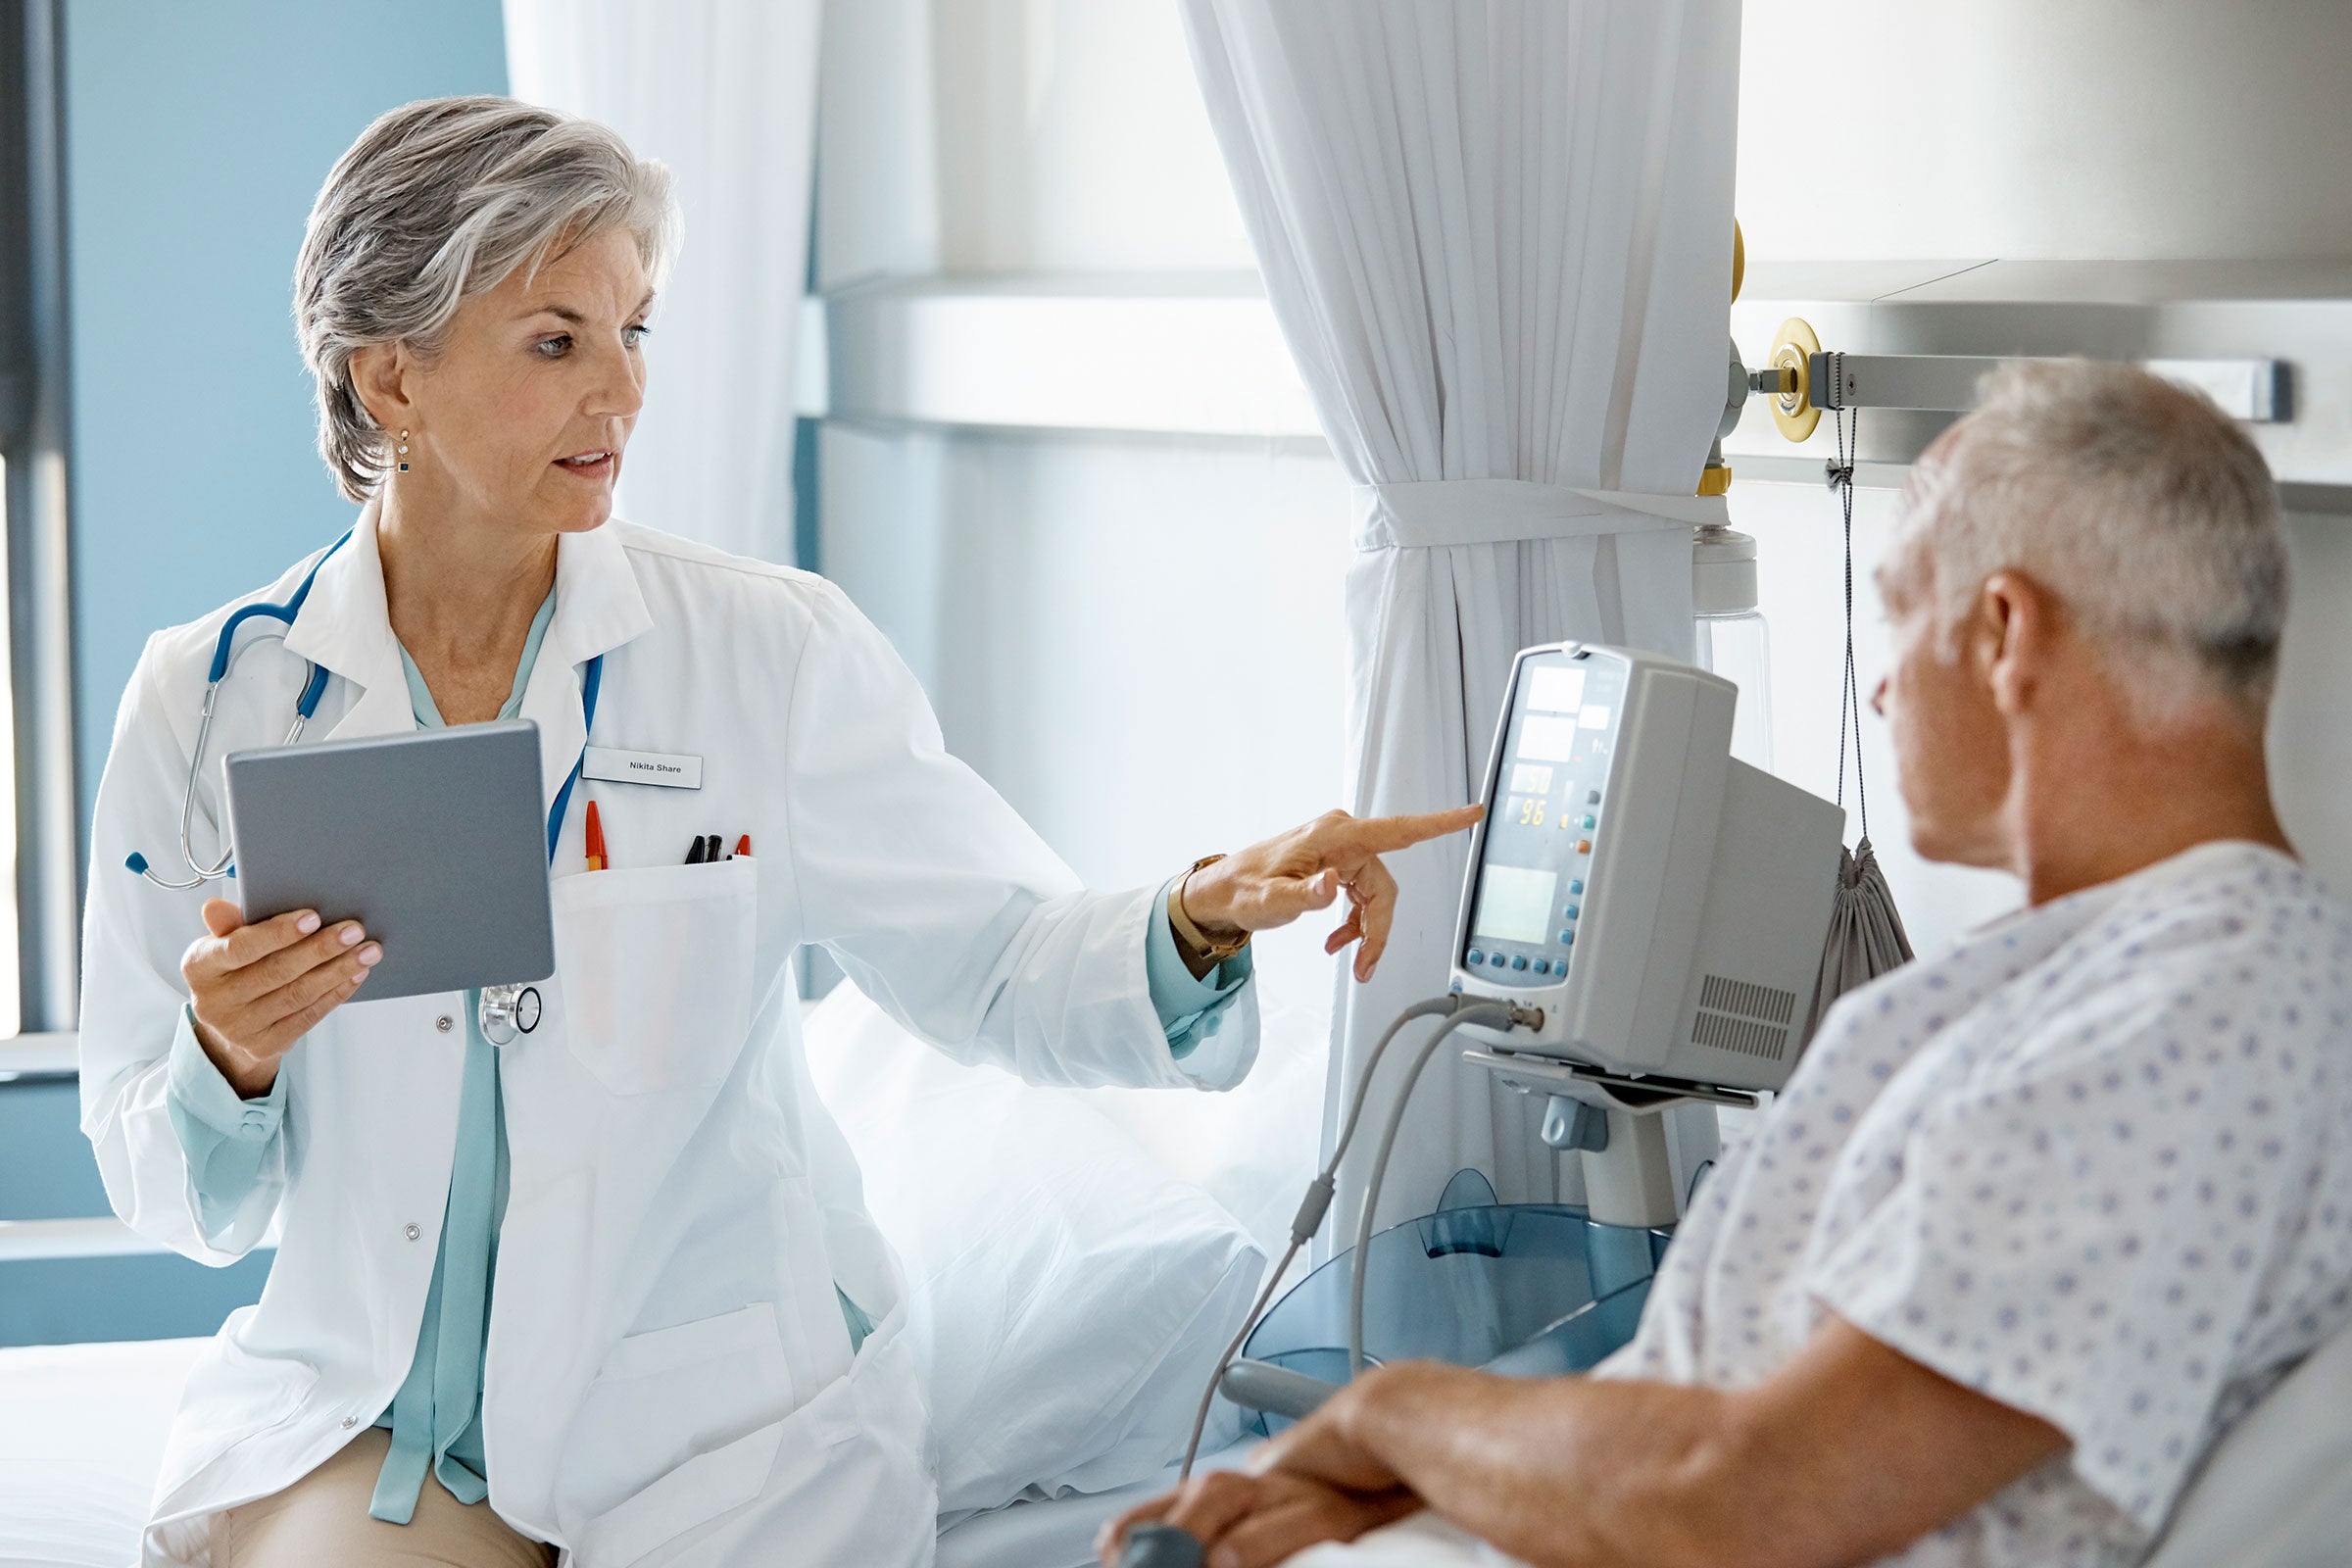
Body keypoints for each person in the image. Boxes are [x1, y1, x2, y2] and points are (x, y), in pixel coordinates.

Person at [78, 97, 1479, 1568]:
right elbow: (161, 1178)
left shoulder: (768, 652)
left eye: (636, 334)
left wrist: (1195, 911)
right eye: (556, 341)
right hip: (387, 1413)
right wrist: (228, 1059)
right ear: (391, 380)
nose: (618, 395)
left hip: (715, 1429)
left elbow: (995, 961)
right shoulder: (212, 699)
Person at [1104, 361, 2352, 1568]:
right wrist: (1410, 1491)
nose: (1876, 687)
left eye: (1900, 610)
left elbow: (1745, 1500)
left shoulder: (2193, 1021)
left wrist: (1389, 1420)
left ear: (2005, 633)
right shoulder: (2133, 981)